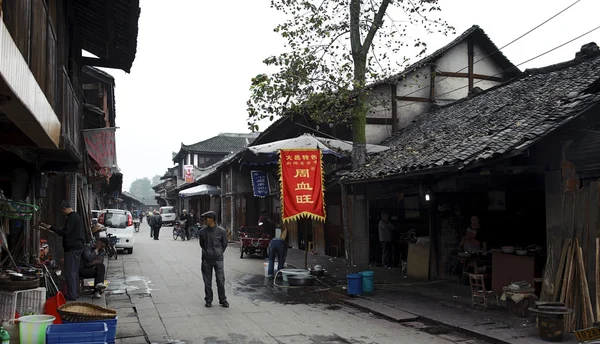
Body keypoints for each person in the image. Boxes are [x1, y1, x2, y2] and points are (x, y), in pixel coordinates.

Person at [39, 200, 85, 301]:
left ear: (64, 209)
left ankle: (72, 294)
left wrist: (52, 228)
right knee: (75, 272)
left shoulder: (72, 218)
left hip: (72, 248)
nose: (62, 214)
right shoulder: (76, 217)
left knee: (70, 272)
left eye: (62, 211)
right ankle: (75, 293)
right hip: (78, 247)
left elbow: (65, 232)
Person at [199, 211, 228, 308]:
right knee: (207, 281)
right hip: (206, 259)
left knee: (220, 280)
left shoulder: (221, 231)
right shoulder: (202, 231)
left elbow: (224, 244)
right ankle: (208, 299)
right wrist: (207, 252)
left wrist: (218, 252)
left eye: (208, 218)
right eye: (205, 218)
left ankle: (223, 299)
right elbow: (202, 245)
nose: (206, 220)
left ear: (213, 219)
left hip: (218, 259)